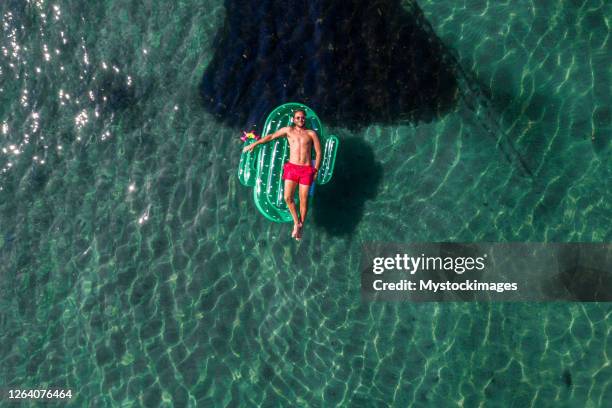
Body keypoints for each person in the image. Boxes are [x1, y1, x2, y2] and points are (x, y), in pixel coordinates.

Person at [243, 109, 321, 240]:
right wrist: (255, 144)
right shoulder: (288, 131)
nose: (300, 120)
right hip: (292, 168)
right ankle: (297, 222)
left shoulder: (311, 133)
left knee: (303, 199)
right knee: (287, 198)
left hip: (306, 170)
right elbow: (271, 137)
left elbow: (318, 152)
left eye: (302, 118)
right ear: (293, 119)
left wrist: (316, 170)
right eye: (298, 118)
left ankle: (300, 226)